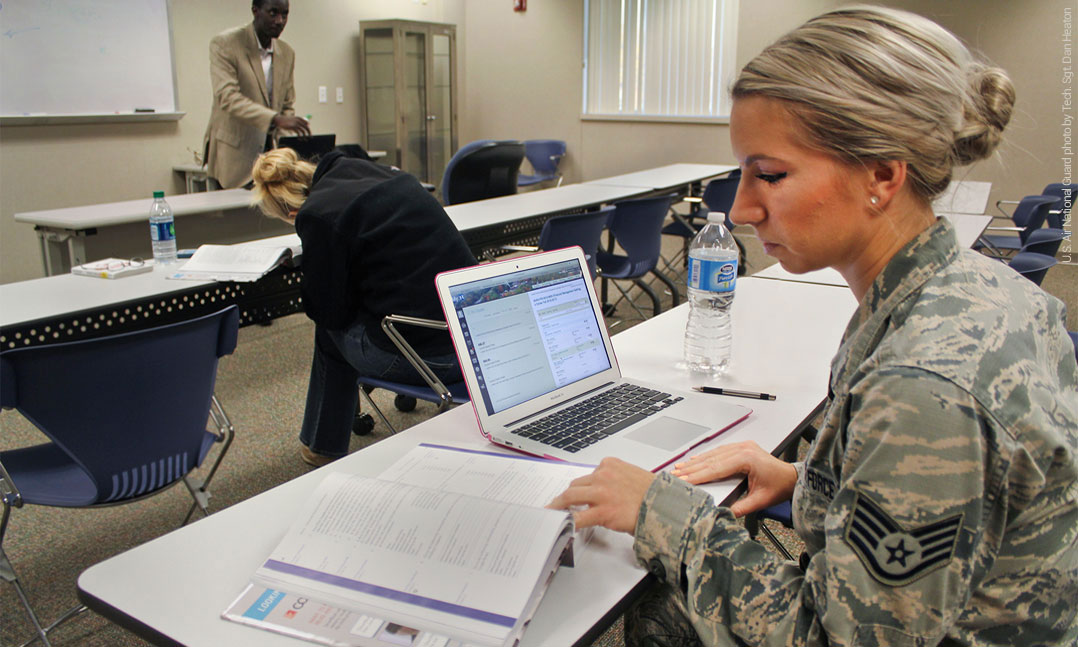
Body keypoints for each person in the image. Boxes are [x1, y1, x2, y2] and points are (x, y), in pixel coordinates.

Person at [549, 6, 1078, 646]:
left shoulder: (924, 380)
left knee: (656, 609)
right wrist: (812, 482)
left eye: (769, 175)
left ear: (882, 174)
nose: (741, 208)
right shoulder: (970, 290)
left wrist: (664, 514)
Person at [250, 147, 476, 466]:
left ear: (291, 213)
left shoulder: (317, 212)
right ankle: (324, 440)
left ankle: (323, 447)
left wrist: (314, 265)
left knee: (328, 331)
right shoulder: (382, 176)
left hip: (432, 361)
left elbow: (329, 311)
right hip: (477, 345)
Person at [204, 0, 311, 189]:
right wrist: (275, 119)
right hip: (234, 157)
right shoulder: (226, 44)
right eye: (273, 13)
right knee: (232, 218)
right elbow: (228, 97)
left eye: (285, 14)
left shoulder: (286, 53)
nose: (279, 20)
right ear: (255, 11)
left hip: (269, 159)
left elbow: (286, 105)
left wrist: (290, 147)